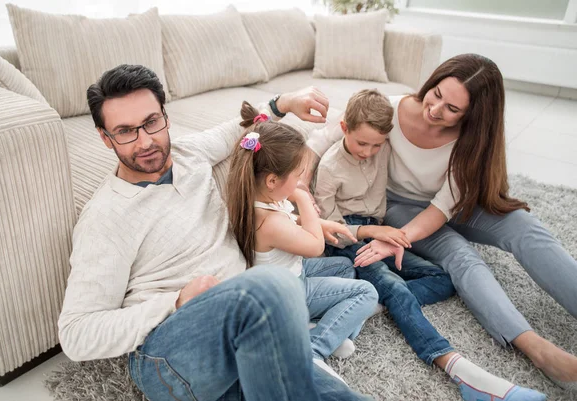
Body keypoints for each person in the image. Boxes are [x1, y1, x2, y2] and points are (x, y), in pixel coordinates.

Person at [57, 64, 374, 401]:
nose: (146, 140)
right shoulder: (105, 217)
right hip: (171, 353)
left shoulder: (188, 153)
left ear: (165, 116)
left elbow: (241, 132)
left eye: (151, 122)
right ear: (106, 138)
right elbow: (76, 333)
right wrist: (175, 302)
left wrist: (283, 103)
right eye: (125, 131)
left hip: (247, 328)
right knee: (273, 284)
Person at [305, 53, 577, 393]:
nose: (435, 110)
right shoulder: (391, 110)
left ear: (472, 115)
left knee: (526, 228)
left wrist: (397, 240)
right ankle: (536, 348)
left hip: (455, 205)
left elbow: (444, 207)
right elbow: (327, 135)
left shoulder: (473, 139)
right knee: (459, 255)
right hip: (402, 207)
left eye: (452, 109)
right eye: (436, 94)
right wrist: (303, 180)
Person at [226, 101, 379, 382]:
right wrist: (302, 198)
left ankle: (311, 327)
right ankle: (314, 348)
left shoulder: (260, 200)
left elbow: (292, 222)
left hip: (291, 274)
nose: (299, 182)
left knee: (345, 267)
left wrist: (322, 223)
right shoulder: (268, 221)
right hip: (286, 293)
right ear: (272, 180)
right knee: (366, 293)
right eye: (297, 177)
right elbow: (314, 246)